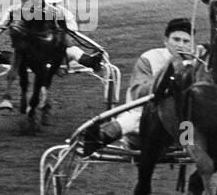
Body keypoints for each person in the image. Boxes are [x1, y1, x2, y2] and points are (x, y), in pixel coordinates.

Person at [83, 19, 199, 150]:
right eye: (176, 40)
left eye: (186, 41)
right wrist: (164, 80)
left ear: (192, 45)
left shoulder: (196, 64)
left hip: (182, 127)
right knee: (134, 118)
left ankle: (187, 148)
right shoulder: (150, 58)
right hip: (146, 123)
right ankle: (100, 137)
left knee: (192, 122)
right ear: (166, 41)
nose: (180, 45)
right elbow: (138, 93)